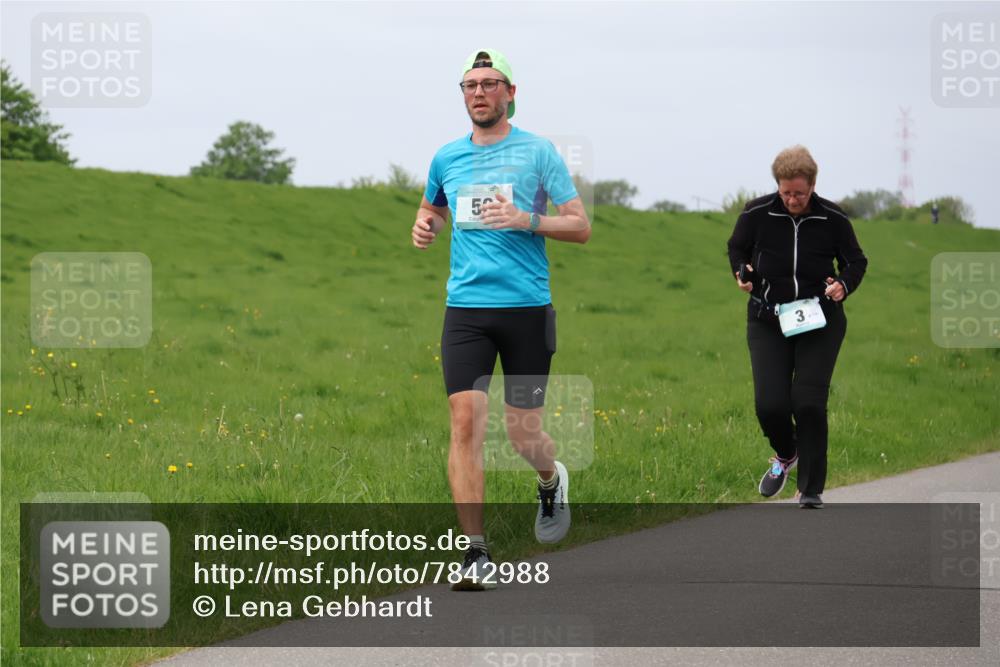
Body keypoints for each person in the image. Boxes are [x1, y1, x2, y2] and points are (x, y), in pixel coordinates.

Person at [411, 49, 591, 589]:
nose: (479, 93)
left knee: (522, 433)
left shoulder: (538, 153)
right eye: (470, 85)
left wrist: (526, 219)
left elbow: (579, 226)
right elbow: (433, 208)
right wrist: (425, 226)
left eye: (490, 83)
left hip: (526, 311)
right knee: (464, 424)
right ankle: (475, 553)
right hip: (465, 311)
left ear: (511, 93)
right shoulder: (446, 157)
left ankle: (549, 477)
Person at [727, 145, 867, 509]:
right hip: (768, 320)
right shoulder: (757, 212)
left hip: (819, 321)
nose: (792, 199)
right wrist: (741, 271)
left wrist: (844, 284)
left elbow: (856, 261)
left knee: (808, 402)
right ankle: (787, 454)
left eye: (799, 194)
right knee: (769, 406)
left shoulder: (832, 218)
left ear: (813, 186)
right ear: (778, 186)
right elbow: (736, 248)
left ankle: (811, 489)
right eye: (786, 192)